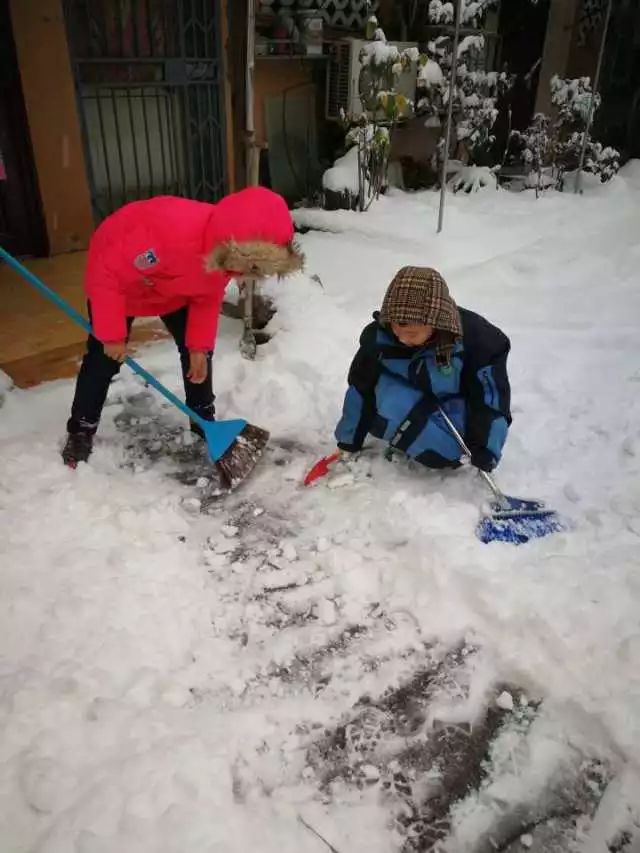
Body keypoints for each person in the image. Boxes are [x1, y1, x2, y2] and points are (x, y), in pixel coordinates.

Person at [62, 187, 303, 467]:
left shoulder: (225, 260)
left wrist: (199, 347)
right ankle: (81, 430)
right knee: (103, 360)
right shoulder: (169, 235)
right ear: (235, 246)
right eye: (251, 265)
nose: (246, 275)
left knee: (198, 356)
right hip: (120, 284)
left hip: (171, 288)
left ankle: (203, 419)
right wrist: (112, 334)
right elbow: (107, 272)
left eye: (256, 269)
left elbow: (207, 297)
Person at [334, 266, 511, 472]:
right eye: (395, 329)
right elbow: (360, 391)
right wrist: (349, 441)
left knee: (450, 453)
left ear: (435, 322)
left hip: (453, 409)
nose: (401, 339)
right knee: (392, 396)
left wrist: (486, 447)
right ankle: (406, 432)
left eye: (411, 333)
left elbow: (490, 400)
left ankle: (429, 439)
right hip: (404, 401)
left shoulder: (480, 342)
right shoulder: (379, 340)